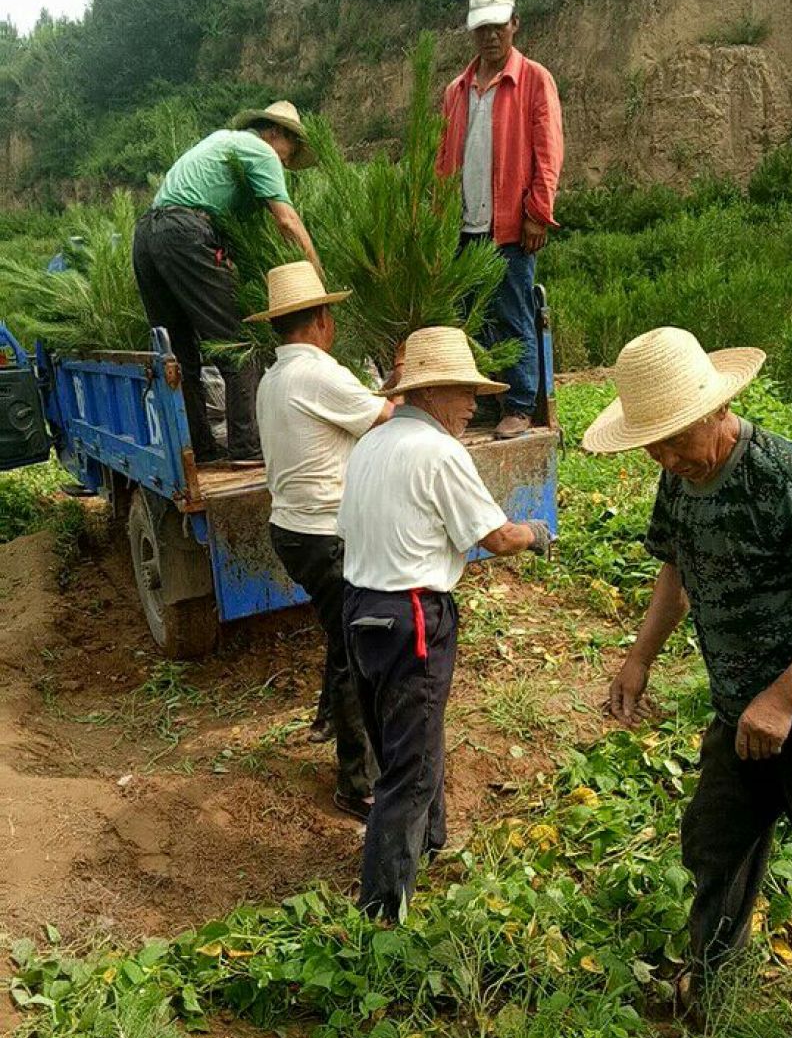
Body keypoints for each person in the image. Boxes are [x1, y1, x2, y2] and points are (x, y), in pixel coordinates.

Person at [582, 326, 792, 1003]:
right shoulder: (679, 481)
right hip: (740, 712)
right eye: (652, 442)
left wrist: (784, 700)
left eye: (676, 437)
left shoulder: (783, 478)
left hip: (791, 703)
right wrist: (637, 660)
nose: (665, 456)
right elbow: (675, 571)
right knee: (714, 843)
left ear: (718, 410)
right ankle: (706, 984)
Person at [338, 326, 551, 919]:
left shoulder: (371, 445)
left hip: (361, 608)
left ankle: (427, 843)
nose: (473, 405)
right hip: (412, 615)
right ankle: (383, 912)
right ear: (435, 393)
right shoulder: (438, 452)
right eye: (465, 393)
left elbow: (349, 531)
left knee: (400, 740)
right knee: (412, 765)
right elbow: (496, 536)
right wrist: (536, 533)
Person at [251, 261, 393, 820]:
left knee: (340, 627)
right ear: (323, 321)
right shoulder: (319, 372)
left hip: (291, 530)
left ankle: (327, 718)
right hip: (325, 533)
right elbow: (384, 416)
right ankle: (357, 783)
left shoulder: (273, 378)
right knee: (359, 650)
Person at [132, 101, 321, 467]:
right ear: (275, 133)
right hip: (185, 233)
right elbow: (287, 222)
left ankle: (201, 449)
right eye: (289, 153)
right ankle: (248, 449)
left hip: (146, 236)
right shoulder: (261, 152)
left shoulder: (221, 141)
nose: (284, 163)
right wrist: (316, 272)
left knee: (180, 353)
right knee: (237, 345)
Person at [436, 0, 564, 441]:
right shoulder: (458, 89)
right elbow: (443, 157)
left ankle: (519, 403)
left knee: (512, 313)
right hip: (465, 224)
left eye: (498, 26)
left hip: (510, 222)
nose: (491, 36)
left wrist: (538, 212)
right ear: (473, 32)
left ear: (514, 24)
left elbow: (547, 153)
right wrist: (438, 216)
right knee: (475, 316)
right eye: (482, 28)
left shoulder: (533, 79)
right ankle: (490, 401)